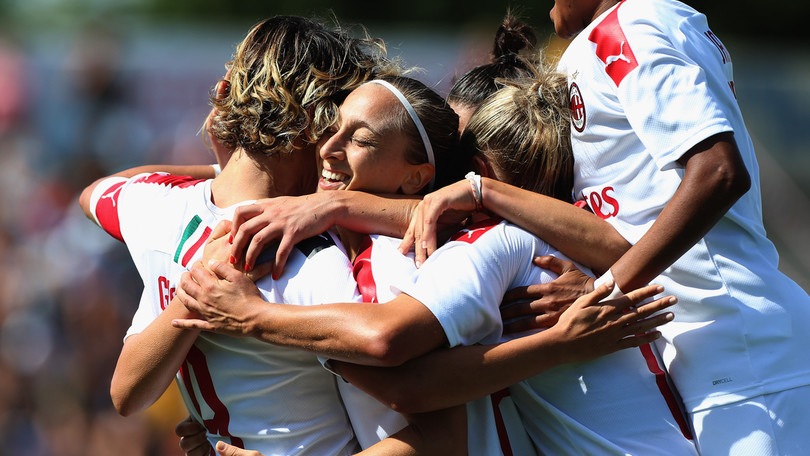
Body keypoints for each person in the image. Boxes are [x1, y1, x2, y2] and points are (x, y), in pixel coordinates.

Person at [173, 61, 689, 455]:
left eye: (359, 137)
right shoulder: (483, 240)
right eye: (331, 128)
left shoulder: (466, 246)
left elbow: (404, 374)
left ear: (437, 176)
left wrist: (252, 318)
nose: (325, 148)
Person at [403, 0, 810, 453]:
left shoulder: (634, 23)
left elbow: (718, 172)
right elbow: (625, 230)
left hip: (744, 359)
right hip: (700, 363)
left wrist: (605, 294)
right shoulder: (592, 48)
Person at [77, 15, 451, 455]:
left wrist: (228, 166)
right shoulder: (320, 261)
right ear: (317, 127)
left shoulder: (153, 210)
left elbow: (96, 193)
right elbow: (424, 437)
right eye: (338, 123)